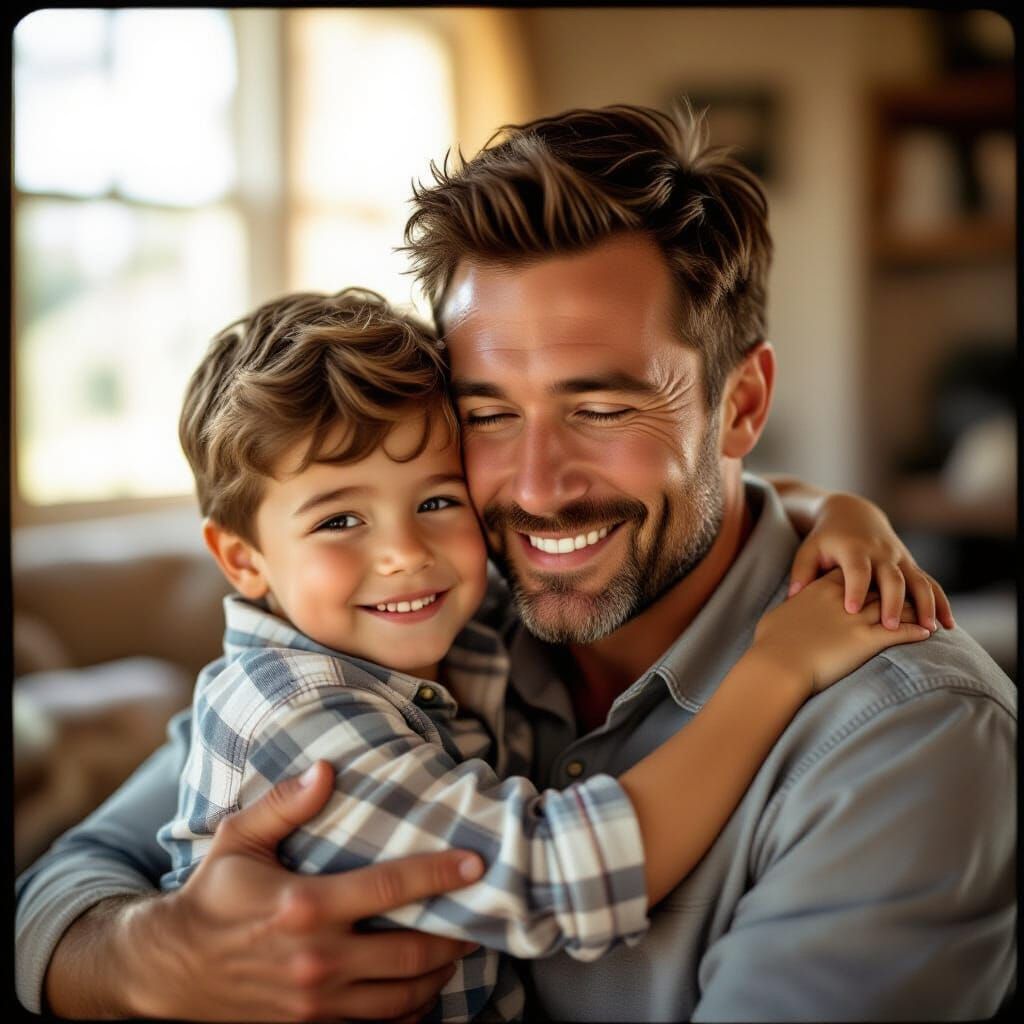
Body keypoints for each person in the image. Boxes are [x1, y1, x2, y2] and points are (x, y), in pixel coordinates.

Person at [15, 103, 1014, 1022]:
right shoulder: (445, 618)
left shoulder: (908, 738)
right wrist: (153, 959)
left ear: (741, 406)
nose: (535, 487)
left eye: (602, 407)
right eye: (487, 414)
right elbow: (63, 884)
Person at [155, 285, 930, 1023]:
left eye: (435, 501)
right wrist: (777, 668)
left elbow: (700, 489)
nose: (404, 554)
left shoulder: (446, 626)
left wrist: (837, 509)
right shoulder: (291, 712)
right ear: (241, 558)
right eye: (338, 522)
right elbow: (558, 875)